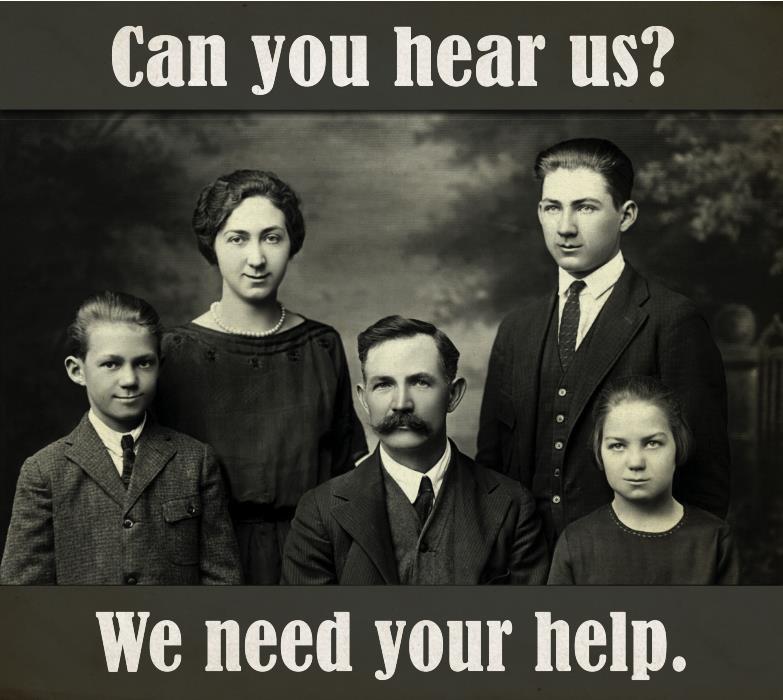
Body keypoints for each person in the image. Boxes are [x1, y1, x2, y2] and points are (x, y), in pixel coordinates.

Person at [476, 137, 730, 549]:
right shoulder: (516, 329)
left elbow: (705, 481)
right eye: (552, 207)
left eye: (586, 207)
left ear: (625, 215)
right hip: (526, 569)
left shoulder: (671, 320)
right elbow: (491, 473)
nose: (565, 227)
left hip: (631, 566)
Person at [155, 170, 367, 585]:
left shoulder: (321, 346)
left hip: (311, 561)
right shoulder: (175, 353)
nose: (256, 258)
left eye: (272, 238)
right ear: (212, 244)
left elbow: (346, 473)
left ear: (292, 244)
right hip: (206, 564)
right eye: (237, 239)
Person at [281, 316, 549, 585]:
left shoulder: (513, 506)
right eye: (384, 384)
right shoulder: (319, 512)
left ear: (453, 394)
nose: (401, 403)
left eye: (420, 382)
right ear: (363, 399)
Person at [0, 291, 240, 585]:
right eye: (111, 364)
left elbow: (222, 583)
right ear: (77, 371)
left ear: (160, 366)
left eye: (143, 363)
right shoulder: (44, 471)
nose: (129, 380)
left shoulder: (196, 461)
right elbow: (23, 595)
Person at [547, 376, 739, 584]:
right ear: (599, 452)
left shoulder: (714, 540)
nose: (636, 462)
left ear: (679, 445)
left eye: (652, 443)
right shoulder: (576, 542)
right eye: (618, 445)